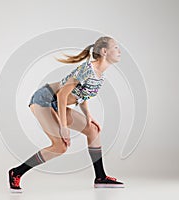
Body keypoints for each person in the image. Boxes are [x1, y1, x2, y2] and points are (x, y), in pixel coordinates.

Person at [8, 36, 124, 192]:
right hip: (44, 99)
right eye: (115, 47)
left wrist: (88, 116)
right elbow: (62, 95)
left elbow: (82, 95)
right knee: (60, 146)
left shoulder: (100, 75)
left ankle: (100, 177)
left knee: (93, 130)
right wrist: (63, 126)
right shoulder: (88, 69)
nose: (119, 50)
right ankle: (17, 172)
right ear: (104, 51)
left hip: (56, 103)